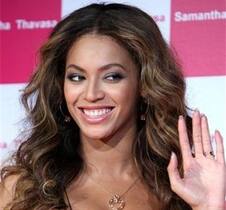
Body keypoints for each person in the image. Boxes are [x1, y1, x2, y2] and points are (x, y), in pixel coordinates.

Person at [0, 2, 225, 210]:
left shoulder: (185, 187)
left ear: (145, 85)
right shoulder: (22, 188)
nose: (91, 94)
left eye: (112, 76)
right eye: (77, 77)